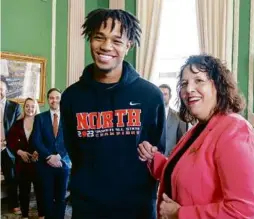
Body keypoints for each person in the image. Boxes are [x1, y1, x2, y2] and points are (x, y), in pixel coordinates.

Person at [60, 9, 165, 219]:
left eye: (117, 40)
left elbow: (157, 151)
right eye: (99, 37)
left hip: (137, 207)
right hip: (87, 207)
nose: (106, 46)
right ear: (90, 39)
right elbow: (73, 150)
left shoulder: (150, 95)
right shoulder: (72, 96)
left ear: (129, 46)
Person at [138, 55, 254, 219]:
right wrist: (153, 159)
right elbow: (188, 175)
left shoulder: (236, 131)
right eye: (184, 84)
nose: (189, 89)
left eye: (199, 80)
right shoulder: (196, 131)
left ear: (218, 86)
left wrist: (179, 213)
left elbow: (247, 212)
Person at [32, 88, 71, 219]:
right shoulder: (39, 118)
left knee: (60, 198)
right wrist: (49, 156)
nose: (54, 100)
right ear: (48, 99)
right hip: (45, 164)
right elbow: (35, 140)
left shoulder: (68, 118)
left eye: (57, 97)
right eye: (51, 98)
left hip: (63, 163)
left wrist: (59, 156)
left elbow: (71, 140)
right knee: (46, 198)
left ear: (61, 99)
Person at [7, 97, 44, 219]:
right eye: (27, 106)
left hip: (38, 162)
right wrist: (19, 151)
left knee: (40, 191)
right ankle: (24, 215)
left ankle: (41, 215)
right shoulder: (18, 123)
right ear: (24, 108)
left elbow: (46, 140)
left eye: (32, 106)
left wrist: (39, 152)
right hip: (22, 163)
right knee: (23, 191)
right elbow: (10, 141)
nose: (30, 108)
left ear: (36, 107)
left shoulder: (42, 121)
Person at [0, 78, 21, 214]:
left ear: (6, 90)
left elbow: (18, 129)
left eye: (1, 88)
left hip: (7, 147)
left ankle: (13, 204)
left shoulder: (14, 107)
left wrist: (7, 142)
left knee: (11, 177)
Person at [159, 84, 187, 156]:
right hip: (152, 159)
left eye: (165, 94)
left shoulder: (178, 116)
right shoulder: (149, 115)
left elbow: (182, 141)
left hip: (170, 158)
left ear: (170, 96)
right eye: (160, 94)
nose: (162, 96)